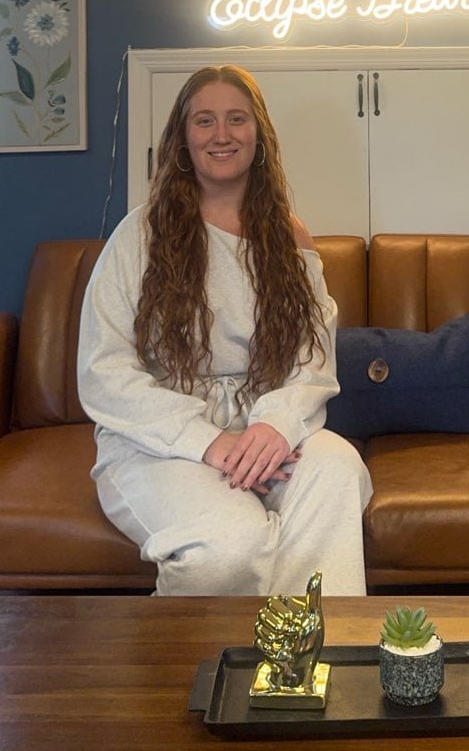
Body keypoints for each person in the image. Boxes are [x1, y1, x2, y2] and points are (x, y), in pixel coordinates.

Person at [77, 64, 372, 597]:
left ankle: (305, 665)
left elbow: (312, 357)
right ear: (182, 139)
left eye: (236, 119)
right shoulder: (138, 236)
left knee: (338, 470)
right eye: (204, 120)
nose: (221, 134)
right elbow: (105, 371)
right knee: (229, 543)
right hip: (158, 441)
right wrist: (209, 442)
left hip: (264, 430)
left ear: (258, 136)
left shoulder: (289, 237)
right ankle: (200, 676)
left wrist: (274, 427)